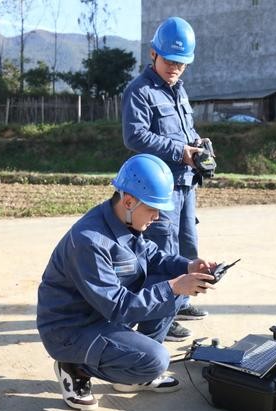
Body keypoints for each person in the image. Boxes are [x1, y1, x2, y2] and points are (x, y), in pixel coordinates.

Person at [37, 154, 217, 411]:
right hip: (72, 329)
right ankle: (73, 366)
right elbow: (118, 307)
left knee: (171, 285)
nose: (157, 216)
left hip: (101, 314)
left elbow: (152, 256)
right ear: (129, 201)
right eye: (153, 209)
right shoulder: (89, 241)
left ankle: (131, 372)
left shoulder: (122, 218)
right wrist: (175, 287)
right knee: (157, 359)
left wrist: (187, 266)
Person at [122, 16, 209, 342]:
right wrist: (179, 151)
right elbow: (134, 136)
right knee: (161, 250)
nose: (175, 68)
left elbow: (186, 132)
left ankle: (180, 302)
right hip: (158, 188)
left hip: (185, 183)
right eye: (170, 61)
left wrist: (199, 146)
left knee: (186, 246)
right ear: (153, 54)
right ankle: (160, 317)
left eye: (182, 63)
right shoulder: (139, 91)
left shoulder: (179, 91)